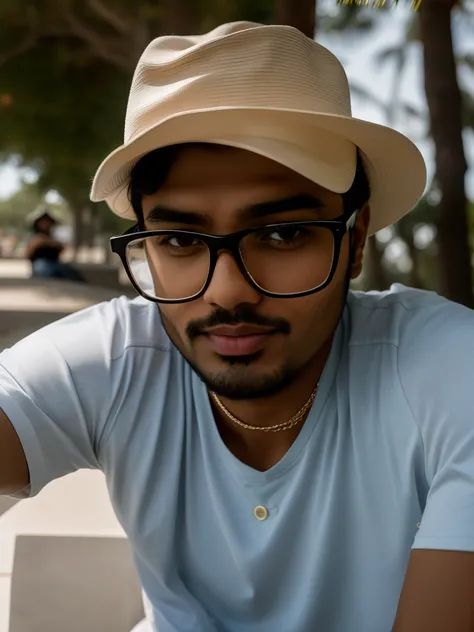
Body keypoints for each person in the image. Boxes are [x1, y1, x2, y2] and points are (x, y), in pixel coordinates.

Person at [0, 21, 473, 632]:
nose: (227, 291)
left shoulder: (445, 369)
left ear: (355, 243)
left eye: (282, 234)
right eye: (178, 239)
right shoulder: (119, 359)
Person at [25, 207, 85, 282]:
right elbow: (27, 255)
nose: (46, 224)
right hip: (41, 264)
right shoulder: (34, 237)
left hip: (55, 263)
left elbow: (63, 248)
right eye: (43, 222)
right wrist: (36, 244)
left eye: (48, 222)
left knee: (69, 271)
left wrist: (52, 243)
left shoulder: (53, 237)